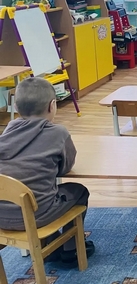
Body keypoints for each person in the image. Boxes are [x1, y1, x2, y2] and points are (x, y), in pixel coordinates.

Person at [0, 77, 95, 263]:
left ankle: (50, 246)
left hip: (2, 216)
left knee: (36, 194)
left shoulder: (7, 133)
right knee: (79, 191)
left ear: (16, 108)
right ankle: (71, 249)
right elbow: (65, 167)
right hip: (36, 216)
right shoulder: (58, 133)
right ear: (52, 105)